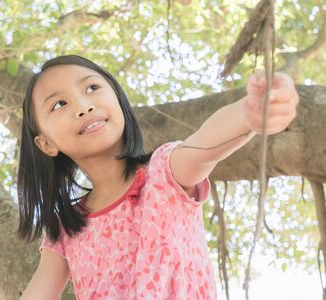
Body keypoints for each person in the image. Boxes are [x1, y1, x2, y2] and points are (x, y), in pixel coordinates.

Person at [16, 55, 299, 299]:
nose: (83, 106)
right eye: (59, 104)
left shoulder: (164, 171)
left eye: (92, 87)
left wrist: (249, 112)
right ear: (46, 144)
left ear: (117, 98)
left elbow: (204, 145)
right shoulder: (64, 228)